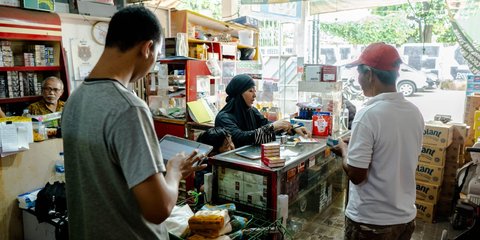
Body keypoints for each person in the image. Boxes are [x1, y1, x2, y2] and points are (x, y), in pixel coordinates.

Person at [62, 6, 206, 239]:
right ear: (147, 48)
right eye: (157, 56)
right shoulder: (129, 108)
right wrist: (175, 171)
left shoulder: (75, 100)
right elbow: (158, 210)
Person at [331, 42, 424, 240]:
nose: (358, 79)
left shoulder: (368, 115)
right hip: (405, 219)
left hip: (372, 223)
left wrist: (344, 149)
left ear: (370, 74)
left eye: (358, 73)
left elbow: (356, 174)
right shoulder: (414, 112)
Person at [215, 74, 310, 148]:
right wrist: (272, 127)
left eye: (255, 91)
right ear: (239, 94)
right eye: (250, 91)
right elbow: (240, 138)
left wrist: (292, 127)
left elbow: (265, 124)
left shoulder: (251, 111)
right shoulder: (224, 117)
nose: (254, 95)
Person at [194, 127, 235, 191]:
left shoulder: (229, 158)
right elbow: (202, 188)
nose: (232, 147)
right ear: (213, 154)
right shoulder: (204, 164)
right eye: (227, 146)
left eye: (231, 142)